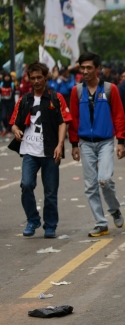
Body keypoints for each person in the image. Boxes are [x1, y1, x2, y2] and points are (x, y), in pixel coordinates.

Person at [9, 61, 72, 238]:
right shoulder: (24, 99)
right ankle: (33, 220)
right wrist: (15, 130)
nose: (36, 81)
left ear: (46, 78)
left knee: (50, 192)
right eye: (33, 78)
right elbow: (14, 123)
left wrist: (60, 145)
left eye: (39, 77)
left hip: (51, 151)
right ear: (29, 79)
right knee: (26, 185)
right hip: (30, 151)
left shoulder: (55, 98)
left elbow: (62, 122)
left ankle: (50, 225)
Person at [68, 52, 125, 237]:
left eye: (89, 67)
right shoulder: (77, 91)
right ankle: (101, 223)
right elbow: (74, 119)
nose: (85, 71)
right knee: (90, 186)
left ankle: (114, 209)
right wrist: (74, 144)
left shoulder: (110, 89)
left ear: (97, 69)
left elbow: (118, 115)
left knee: (105, 179)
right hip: (85, 143)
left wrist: (121, 142)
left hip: (106, 142)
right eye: (82, 67)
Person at [1, 71, 16, 137]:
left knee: (10, 117)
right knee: (3, 117)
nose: (7, 78)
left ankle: (9, 130)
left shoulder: (12, 84)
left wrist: (15, 103)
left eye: (8, 76)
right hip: (3, 103)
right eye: (5, 76)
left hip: (11, 103)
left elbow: (15, 94)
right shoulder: (1, 84)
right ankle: (7, 128)